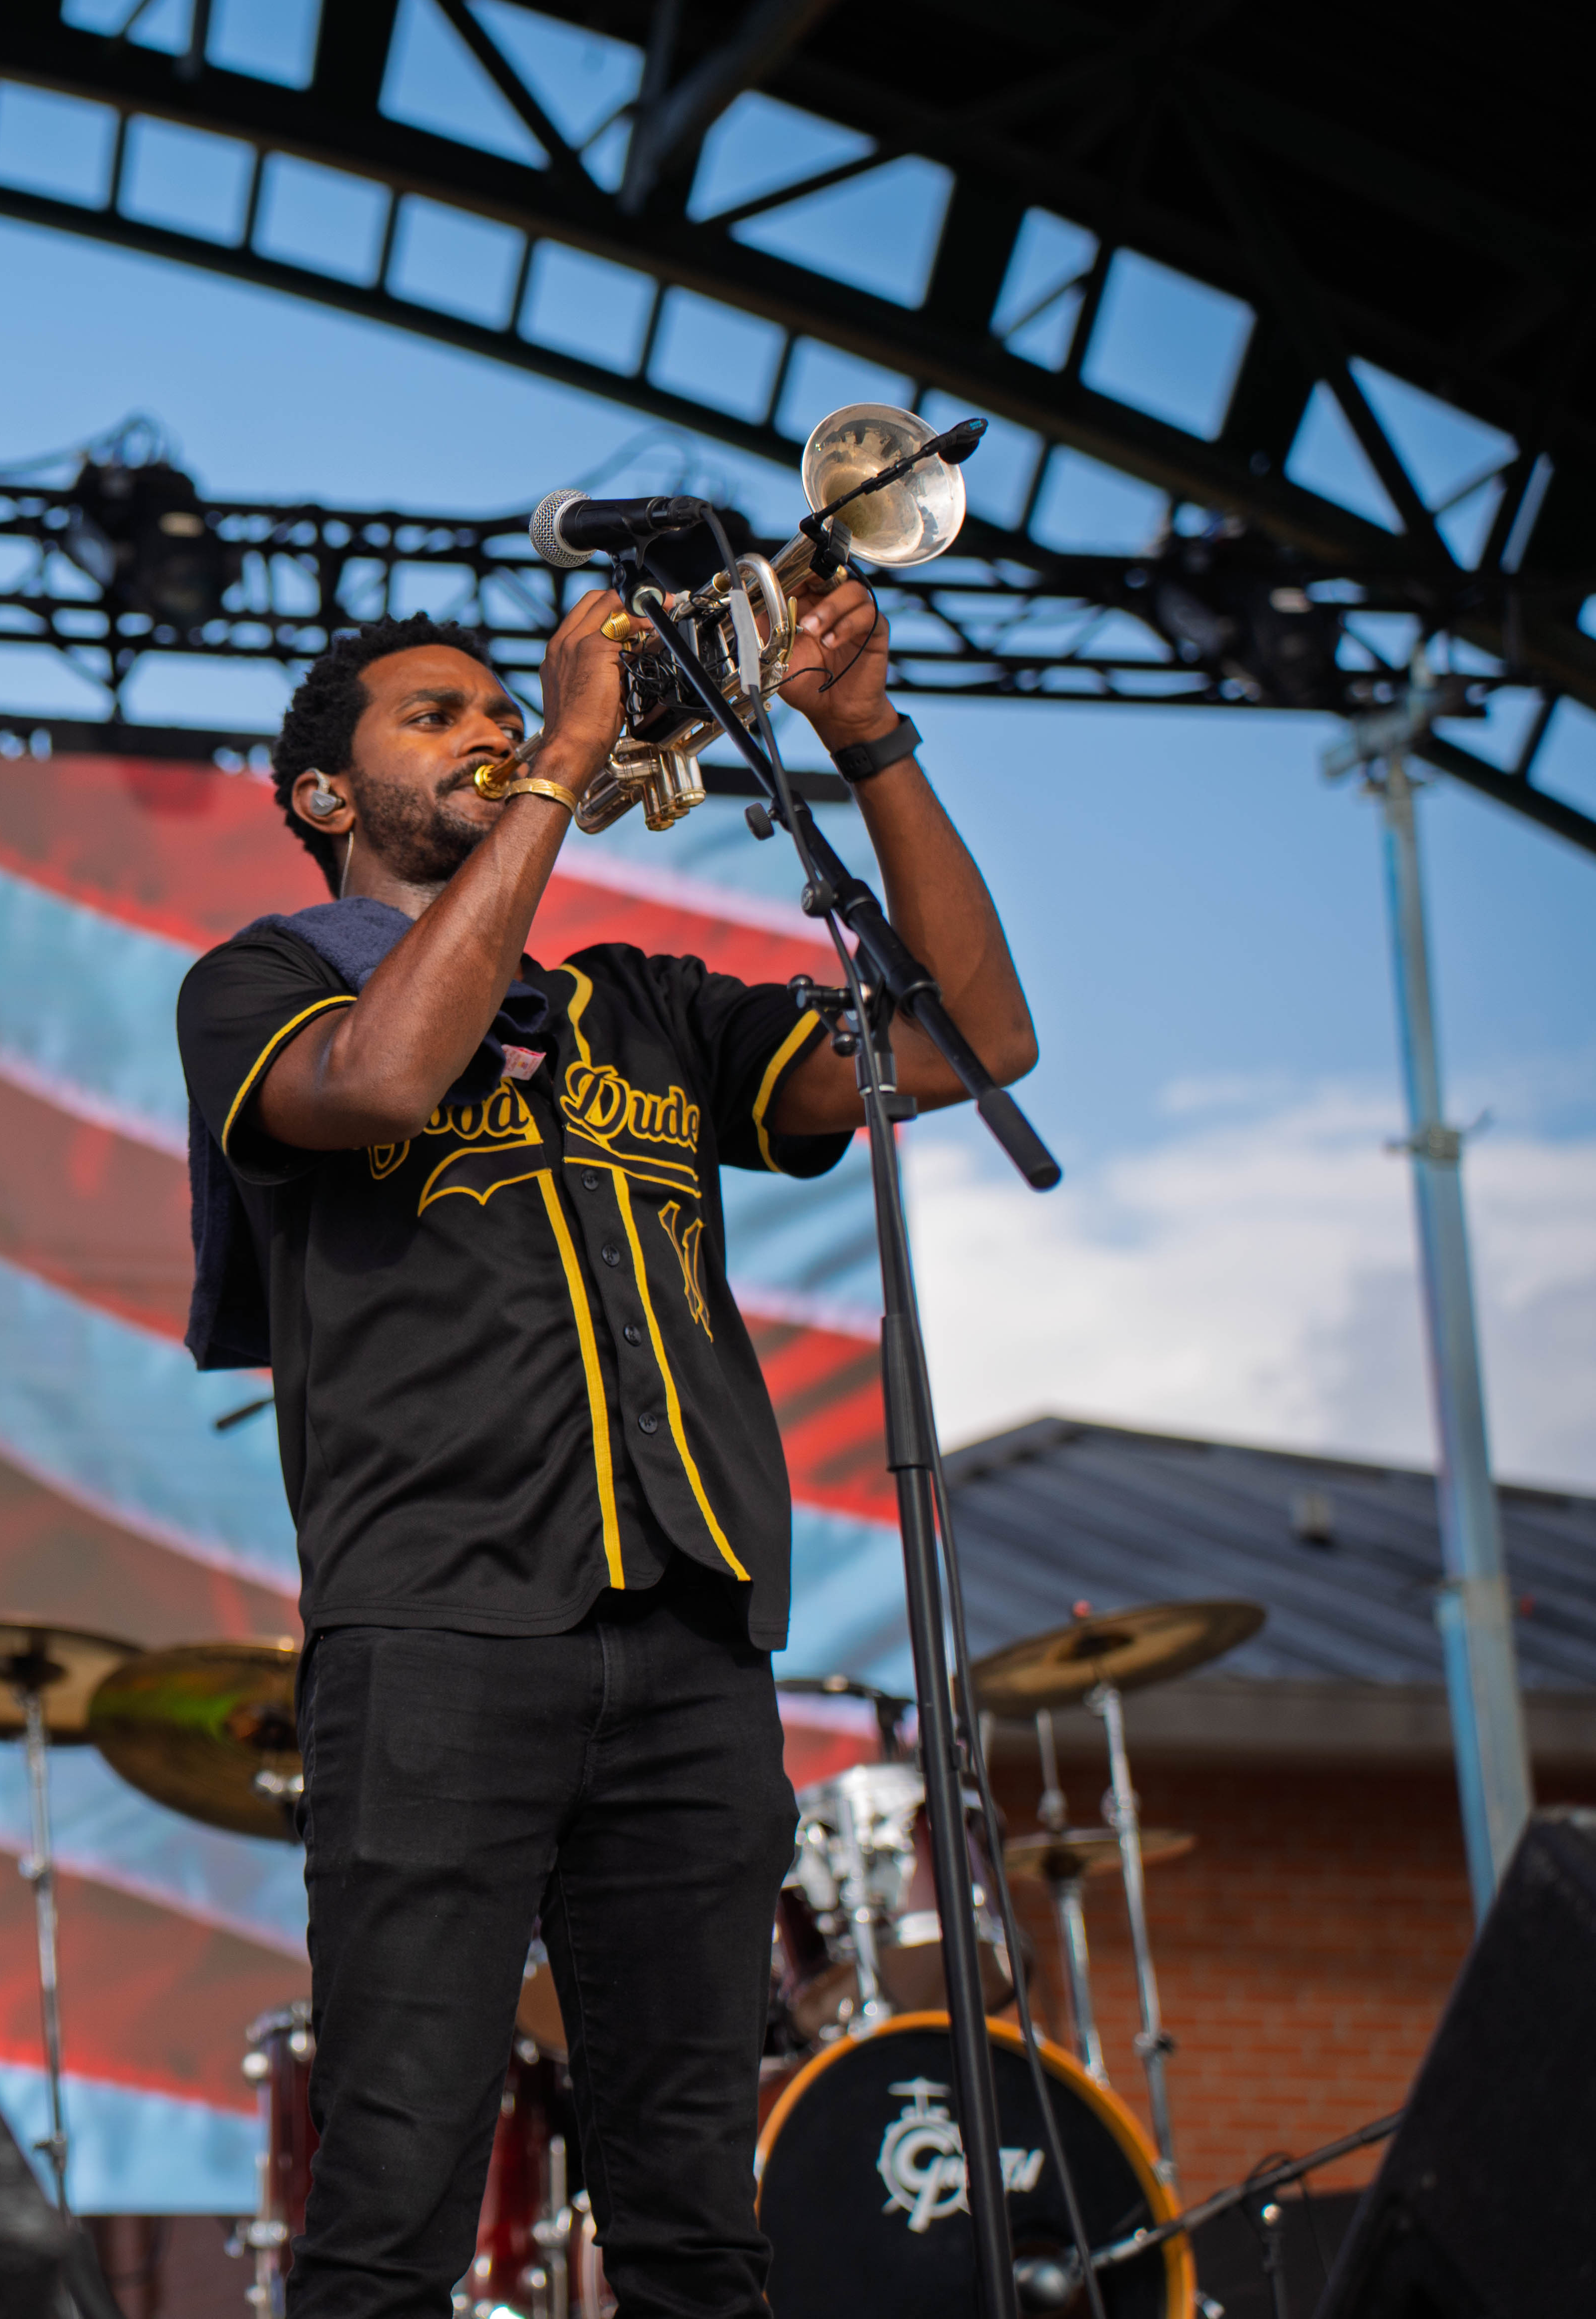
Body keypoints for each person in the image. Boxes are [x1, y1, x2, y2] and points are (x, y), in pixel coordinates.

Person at [176, 583, 1035, 2318]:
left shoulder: (638, 1007)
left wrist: (863, 735)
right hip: (434, 1635)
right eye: (435, 716)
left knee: (695, 2215)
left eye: (501, 707)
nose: (489, 729)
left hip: (688, 1641)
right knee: (389, 2201)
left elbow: (969, 1044)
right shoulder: (256, 984)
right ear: (324, 796)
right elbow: (387, 1080)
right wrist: (570, 749)